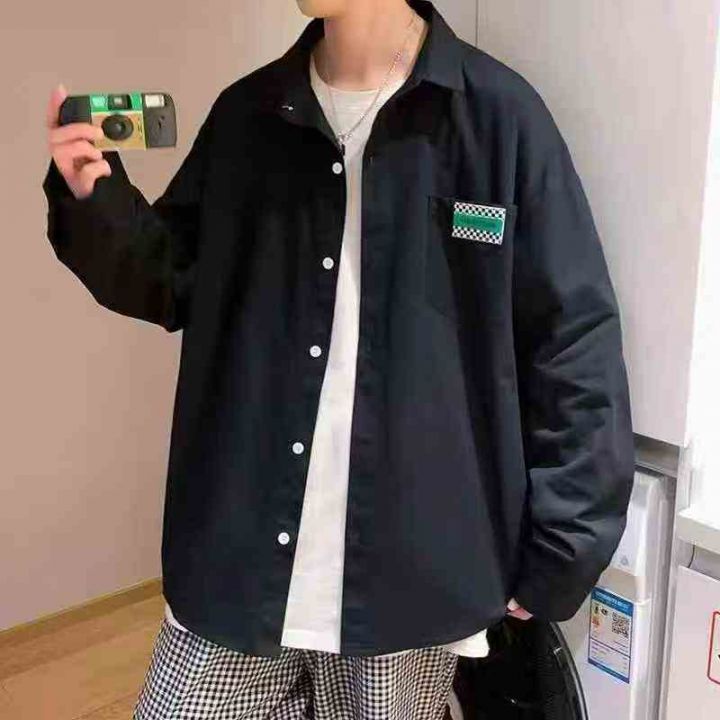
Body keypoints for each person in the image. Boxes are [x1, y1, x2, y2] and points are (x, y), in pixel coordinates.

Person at [42, 0, 634, 717]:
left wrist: (563, 547)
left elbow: (571, 342)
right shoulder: (248, 116)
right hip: (240, 555)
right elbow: (171, 279)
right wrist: (95, 198)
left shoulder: (497, 119)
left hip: (413, 575)